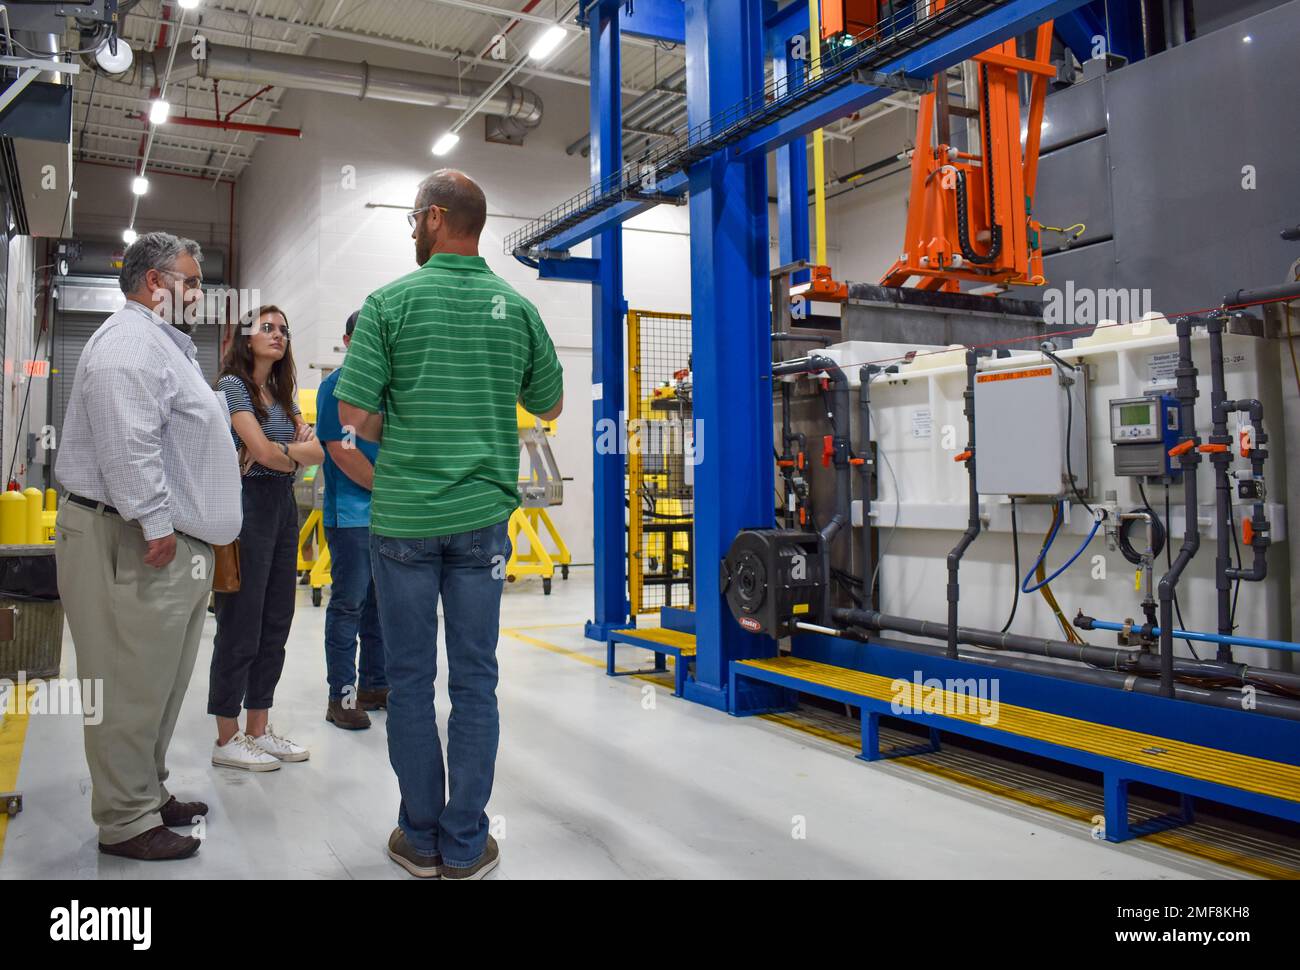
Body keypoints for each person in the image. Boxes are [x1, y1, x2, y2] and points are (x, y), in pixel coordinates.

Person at [336, 169, 563, 880]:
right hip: (481, 525)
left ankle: (419, 835)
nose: (412, 232)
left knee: (409, 683)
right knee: (475, 682)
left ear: (434, 218)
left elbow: (352, 418)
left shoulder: (388, 304)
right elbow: (549, 406)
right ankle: (466, 843)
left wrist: (402, 413)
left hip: (402, 521)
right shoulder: (516, 307)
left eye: (412, 221)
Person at [54, 232, 242, 861]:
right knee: (128, 683)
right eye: (192, 281)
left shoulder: (164, 345)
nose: (200, 292)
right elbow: (126, 441)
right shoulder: (131, 343)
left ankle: (145, 791)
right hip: (130, 536)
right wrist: (157, 523)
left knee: (158, 683)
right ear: (155, 283)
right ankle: (125, 820)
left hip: (158, 540)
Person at [209, 305, 323, 771]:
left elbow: (317, 452)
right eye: (267, 328)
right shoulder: (233, 386)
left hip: (282, 507)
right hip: (247, 507)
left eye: (284, 329)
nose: (278, 335)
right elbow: (256, 450)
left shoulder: (282, 393)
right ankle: (226, 736)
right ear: (245, 337)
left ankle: (258, 728)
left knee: (277, 618)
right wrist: (285, 453)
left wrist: (281, 455)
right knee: (241, 621)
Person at [316, 309, 387, 729]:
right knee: (349, 605)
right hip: (352, 517)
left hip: (387, 519)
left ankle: (375, 685)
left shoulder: (385, 387)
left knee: (381, 608)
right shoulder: (336, 387)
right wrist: (386, 490)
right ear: (347, 342)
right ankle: (340, 696)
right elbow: (342, 451)